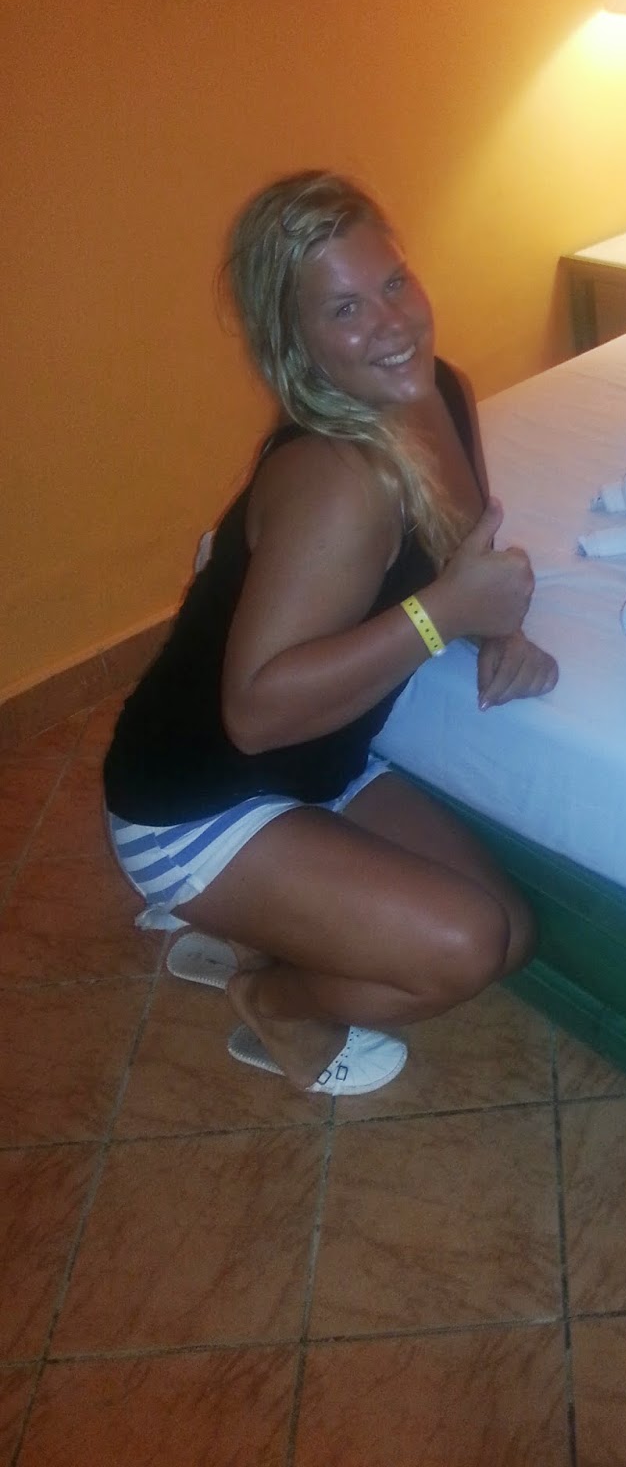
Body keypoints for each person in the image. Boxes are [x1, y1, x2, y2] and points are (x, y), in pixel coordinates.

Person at [103, 170, 558, 1096]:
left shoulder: (439, 391)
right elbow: (254, 715)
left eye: (394, 282)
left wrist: (492, 629)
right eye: (345, 309)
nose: (392, 323)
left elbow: (457, 544)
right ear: (295, 344)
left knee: (510, 935)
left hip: (320, 768)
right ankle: (272, 1001)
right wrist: (446, 615)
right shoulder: (336, 480)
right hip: (195, 803)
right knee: (463, 946)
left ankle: (260, 924)